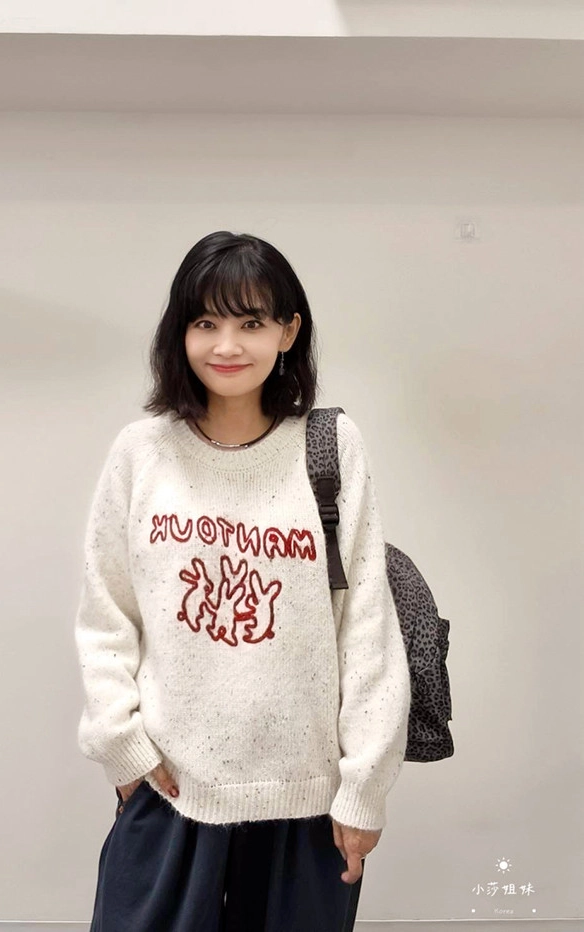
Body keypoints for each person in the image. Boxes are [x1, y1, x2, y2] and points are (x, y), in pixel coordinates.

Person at [74, 230, 412, 932]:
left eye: (251, 323)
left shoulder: (330, 447)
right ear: (180, 333)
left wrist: (364, 788)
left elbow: (367, 628)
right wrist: (123, 746)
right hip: (170, 786)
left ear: (288, 331)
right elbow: (107, 613)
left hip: (306, 800)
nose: (226, 345)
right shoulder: (142, 452)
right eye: (206, 323)